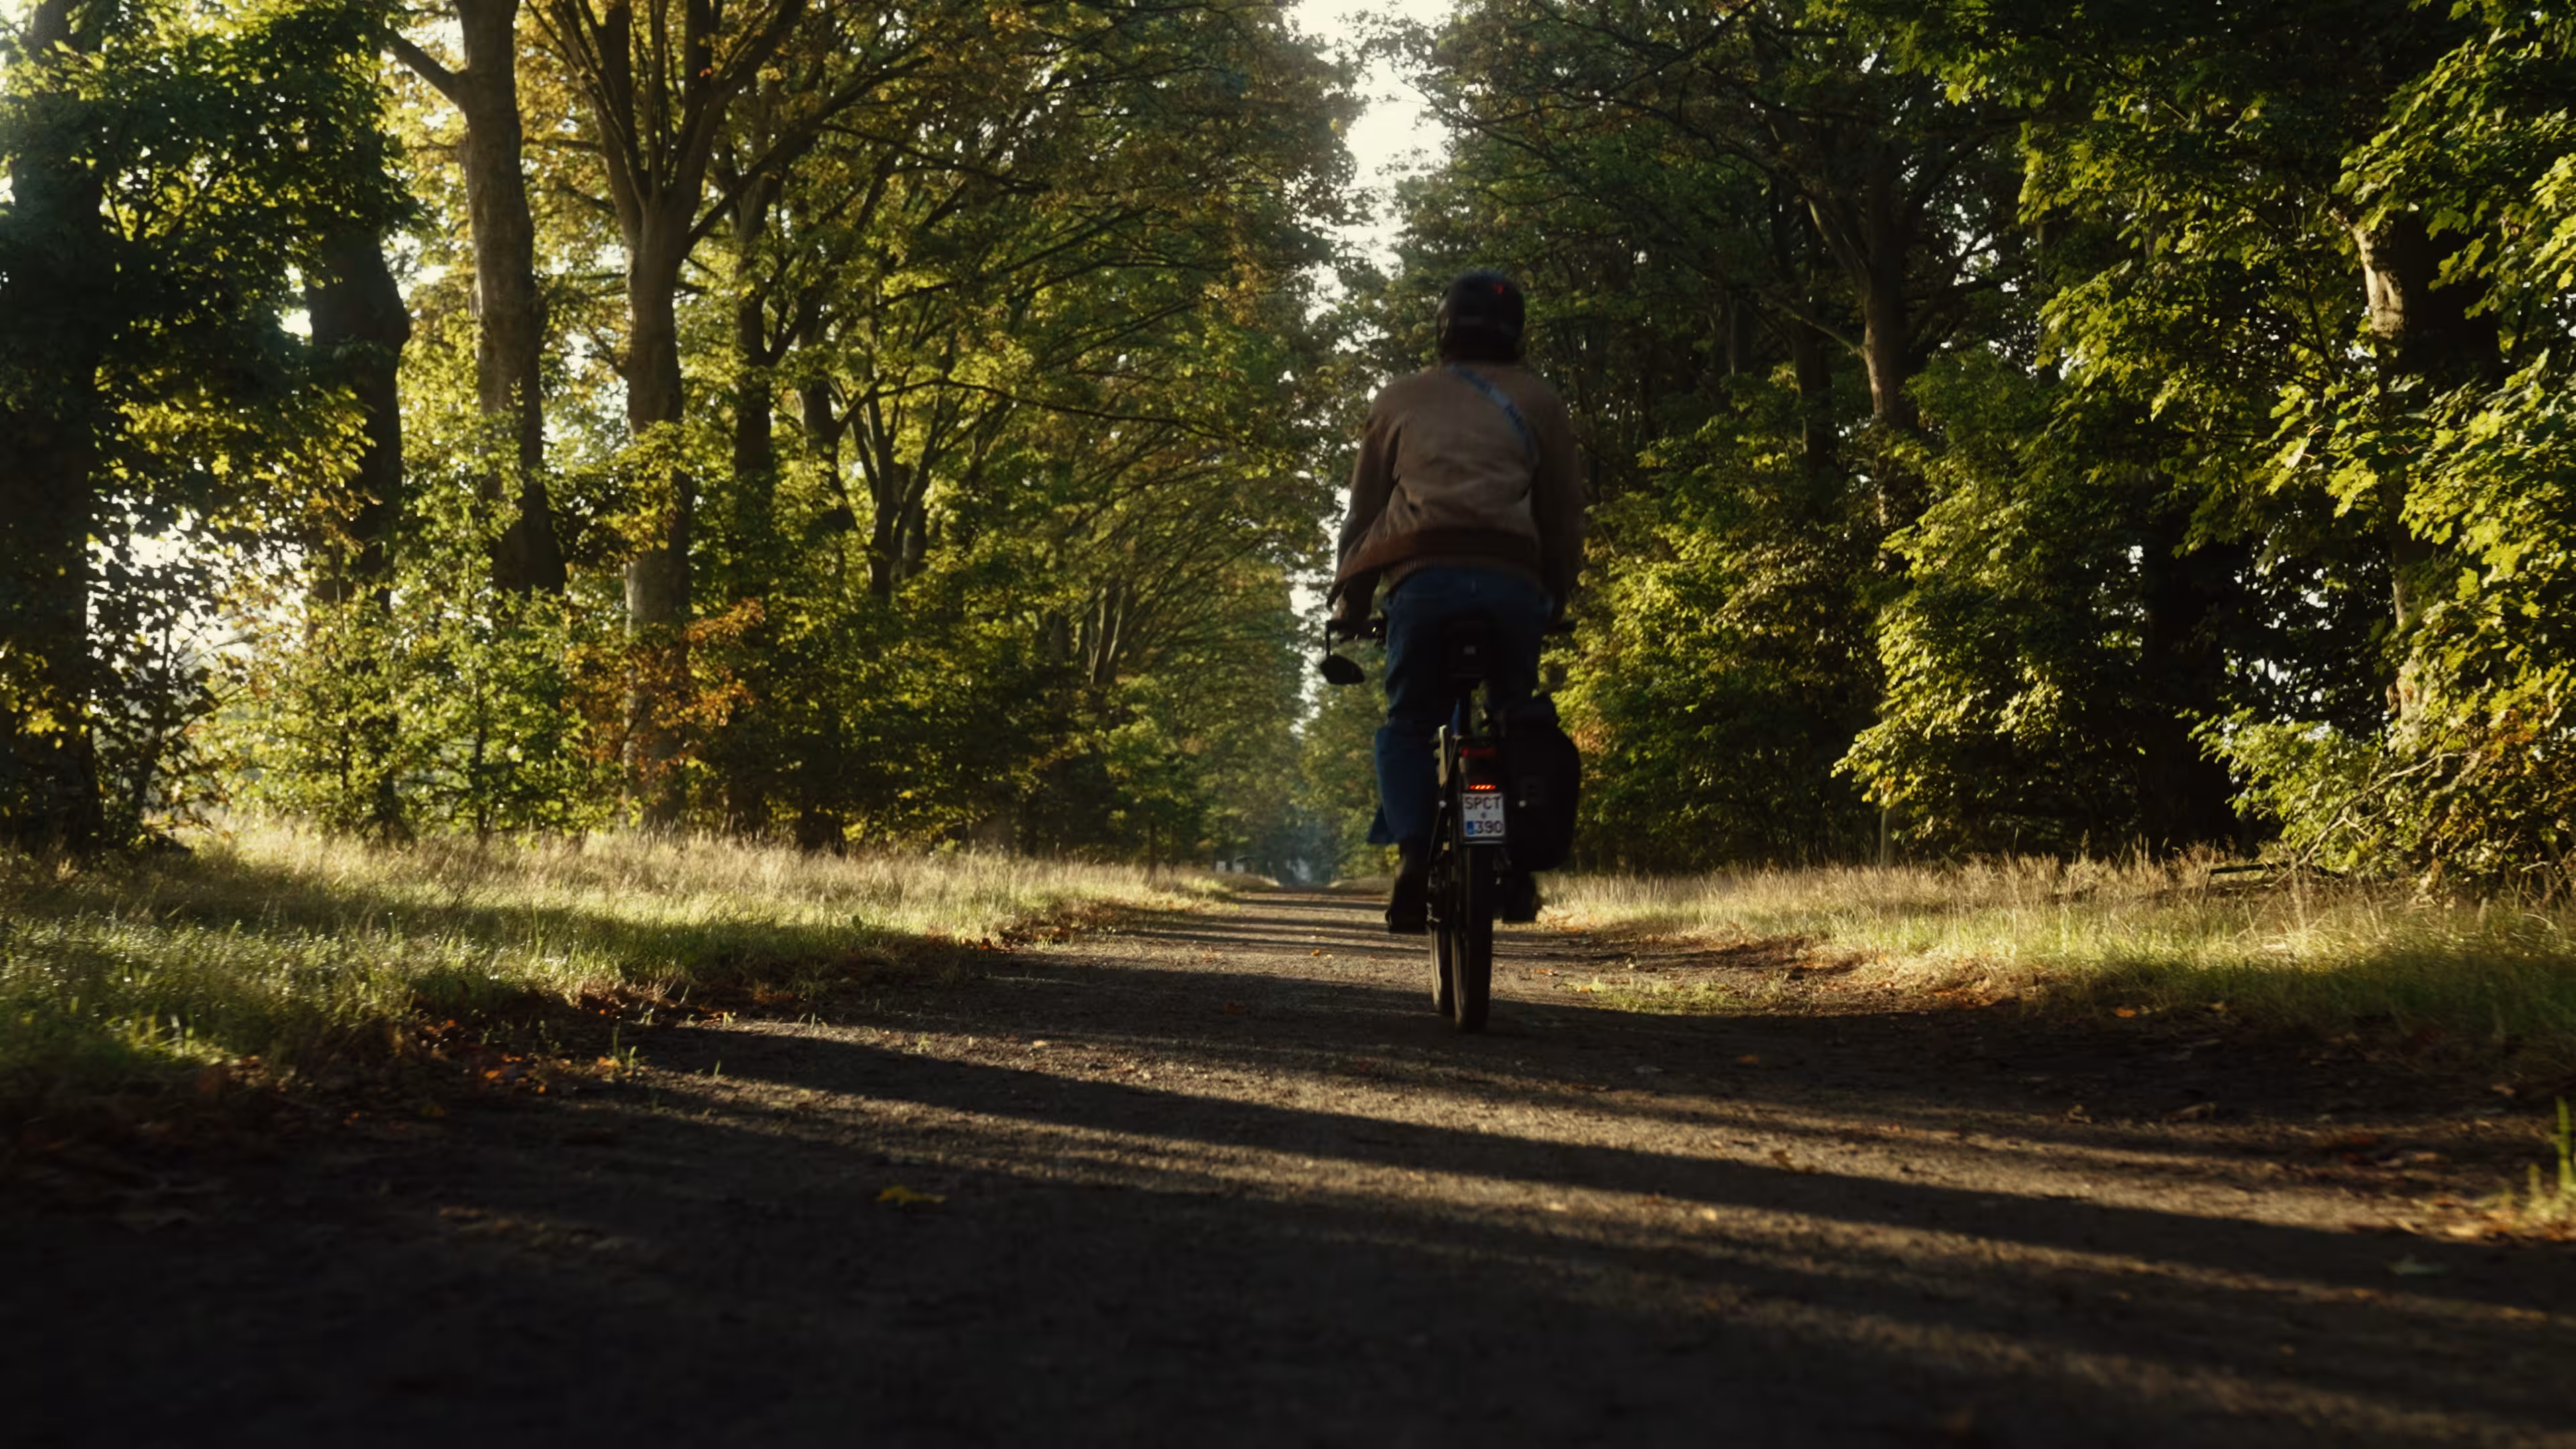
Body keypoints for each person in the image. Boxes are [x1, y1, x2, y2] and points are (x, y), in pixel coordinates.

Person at [1328, 270, 1585, 934]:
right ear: (1517, 334)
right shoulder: (1541, 401)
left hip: (1423, 580)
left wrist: (1349, 607)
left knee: (1408, 725)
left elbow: (1365, 515)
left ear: (1443, 331)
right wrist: (1556, 594)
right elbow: (1561, 517)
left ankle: (1414, 856)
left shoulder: (1399, 399)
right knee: (1513, 716)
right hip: (1511, 582)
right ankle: (1515, 865)